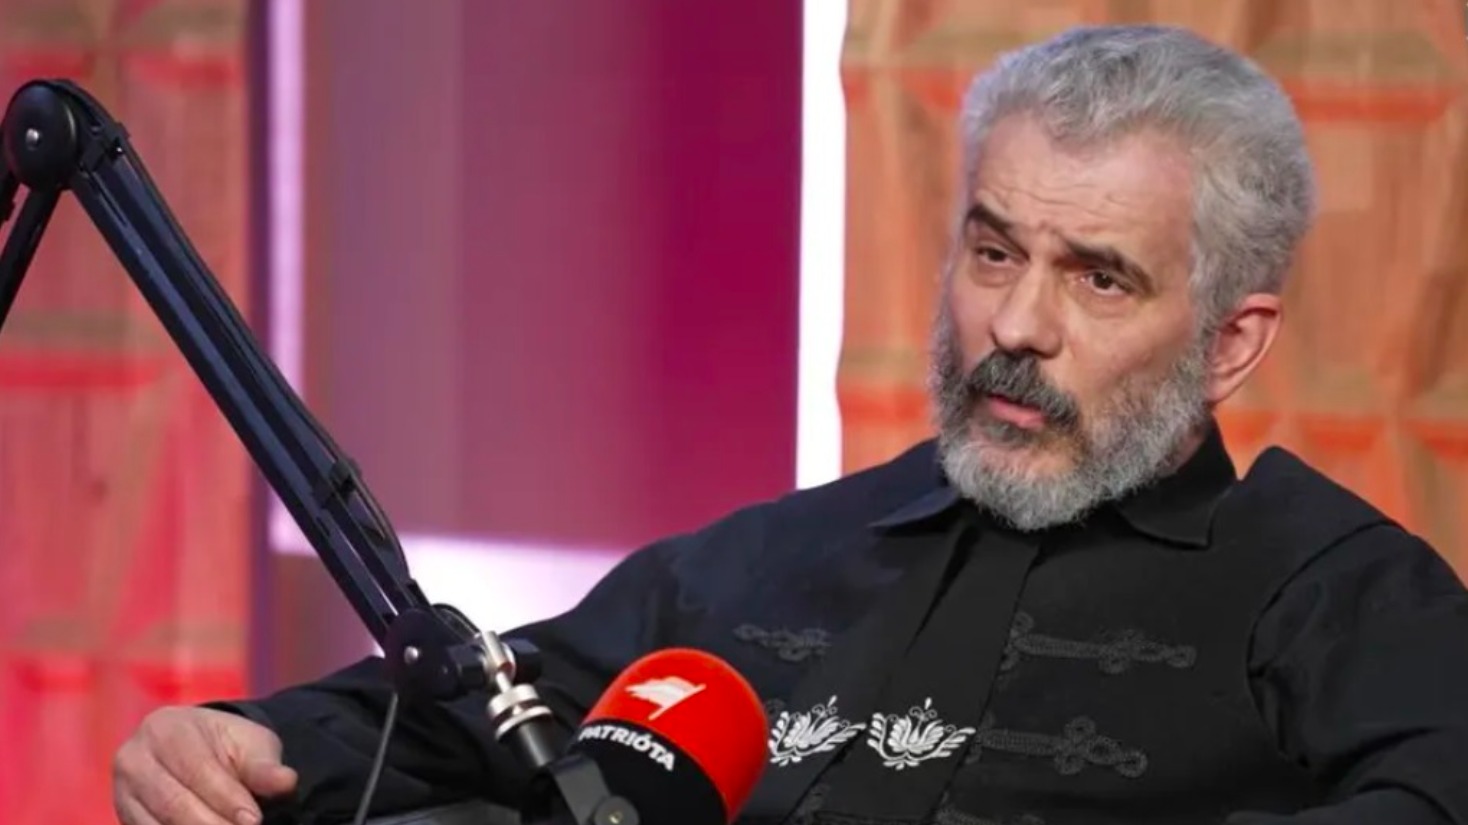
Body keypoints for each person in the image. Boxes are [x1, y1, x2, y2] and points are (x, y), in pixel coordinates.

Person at [113, 24, 1468, 825]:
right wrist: (241, 743)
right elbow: (488, 703)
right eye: (995, 251)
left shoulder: (1338, 595)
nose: (1017, 324)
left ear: (1232, 341)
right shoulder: (773, 560)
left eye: (1098, 279)